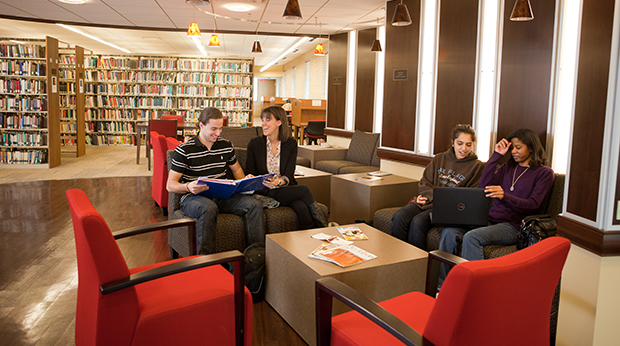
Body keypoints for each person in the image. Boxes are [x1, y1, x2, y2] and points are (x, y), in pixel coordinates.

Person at [438, 128, 555, 282]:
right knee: (449, 232)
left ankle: (475, 289)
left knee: (472, 237)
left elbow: (534, 204)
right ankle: (442, 285)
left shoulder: (544, 173)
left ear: (531, 147)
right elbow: (484, 185)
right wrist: (496, 155)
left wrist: (505, 196)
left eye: (518, 147)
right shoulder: (508, 168)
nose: (514, 151)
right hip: (491, 219)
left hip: (514, 225)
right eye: (512, 147)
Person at [167, 107, 264, 255]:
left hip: (222, 195)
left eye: (220, 129)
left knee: (254, 205)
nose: (217, 133)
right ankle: (204, 262)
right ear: (201, 125)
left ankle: (256, 256)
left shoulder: (226, 145)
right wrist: (188, 186)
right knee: (208, 208)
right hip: (193, 197)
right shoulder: (184, 150)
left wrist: (244, 181)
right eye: (213, 129)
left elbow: (236, 170)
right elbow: (170, 185)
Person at [391, 124, 485, 249]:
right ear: (453, 142)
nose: (464, 148)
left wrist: (441, 200)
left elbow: (470, 195)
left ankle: (418, 263)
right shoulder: (439, 158)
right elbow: (425, 182)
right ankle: (397, 256)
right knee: (399, 216)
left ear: (473, 145)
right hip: (428, 201)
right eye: (460, 143)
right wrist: (428, 197)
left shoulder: (477, 166)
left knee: (418, 222)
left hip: (447, 209)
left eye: (468, 144)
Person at [245, 106, 327, 229]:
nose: (263, 123)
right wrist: (254, 179)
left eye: (268, 120)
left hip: (283, 188)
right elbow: (250, 172)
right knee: (304, 190)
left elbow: (289, 174)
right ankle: (324, 227)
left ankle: (312, 236)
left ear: (279, 122)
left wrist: (278, 182)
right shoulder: (255, 143)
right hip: (264, 190)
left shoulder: (290, 144)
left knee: (301, 206)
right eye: (262, 120)